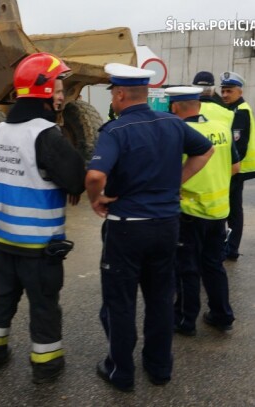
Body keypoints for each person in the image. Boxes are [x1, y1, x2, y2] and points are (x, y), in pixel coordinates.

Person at [85, 63, 214, 392]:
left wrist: (96, 199)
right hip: (166, 226)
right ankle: (159, 369)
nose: (112, 101)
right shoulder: (172, 122)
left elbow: (95, 176)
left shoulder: (115, 130)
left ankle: (121, 372)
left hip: (127, 228)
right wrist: (176, 182)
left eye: (113, 95)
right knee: (159, 299)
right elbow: (205, 150)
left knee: (121, 301)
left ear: (120, 93)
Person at [0, 52, 86, 384]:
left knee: (1, 298)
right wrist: (71, 182)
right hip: (38, 245)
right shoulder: (44, 133)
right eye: (59, 87)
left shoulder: (0, 131)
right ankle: (47, 366)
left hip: (4, 238)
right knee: (44, 305)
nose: (62, 94)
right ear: (44, 89)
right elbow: (76, 179)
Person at [165, 86, 238, 336]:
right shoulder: (220, 129)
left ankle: (185, 320)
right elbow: (235, 167)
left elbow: (169, 172)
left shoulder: (180, 132)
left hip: (190, 211)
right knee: (213, 265)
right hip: (218, 211)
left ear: (174, 107)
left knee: (187, 268)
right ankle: (222, 315)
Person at [220, 71, 255, 261]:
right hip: (234, 168)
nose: (225, 95)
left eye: (229, 91)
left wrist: (231, 167)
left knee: (233, 209)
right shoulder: (232, 109)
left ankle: (231, 248)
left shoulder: (240, 110)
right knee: (232, 208)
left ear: (239, 92)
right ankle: (229, 244)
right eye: (223, 91)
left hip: (237, 169)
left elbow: (239, 144)